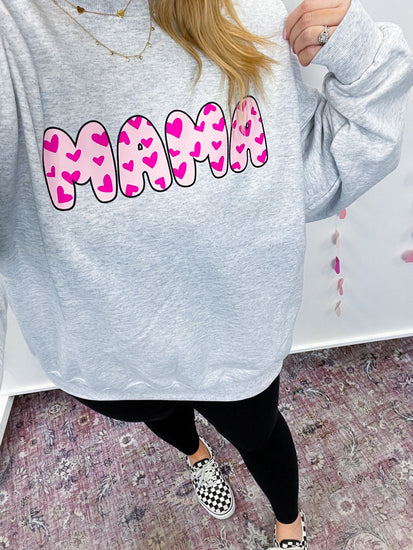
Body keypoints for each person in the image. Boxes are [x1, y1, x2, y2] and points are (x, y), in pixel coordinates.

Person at [0, 0, 412, 548]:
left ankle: (288, 520)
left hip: (235, 346)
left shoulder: (245, 10)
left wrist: (363, 61)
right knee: (164, 417)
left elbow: (316, 176)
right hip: (114, 363)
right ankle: (196, 453)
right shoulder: (14, 37)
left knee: (261, 440)